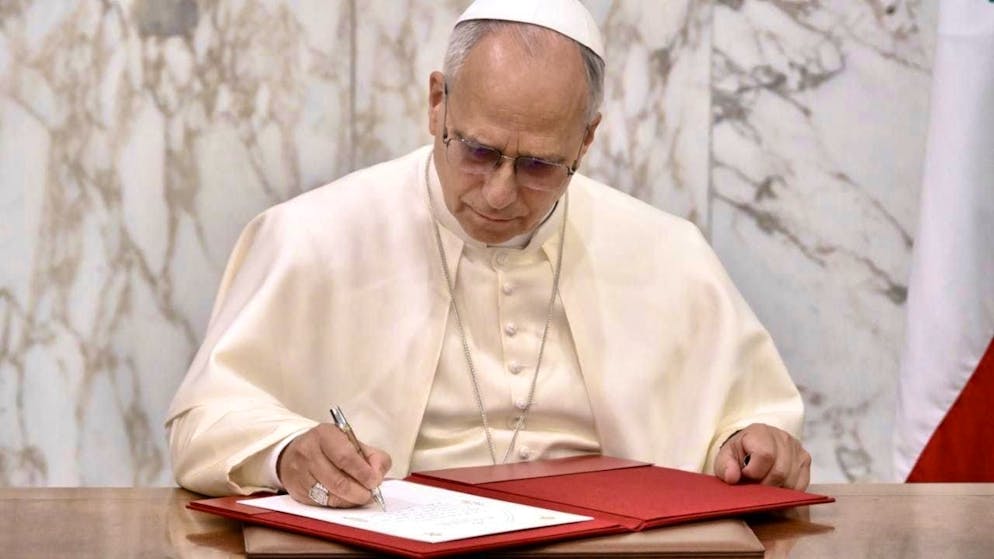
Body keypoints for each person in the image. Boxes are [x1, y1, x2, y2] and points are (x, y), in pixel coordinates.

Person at [166, 0, 811, 509]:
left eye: (537, 164)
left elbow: (749, 421)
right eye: (477, 151)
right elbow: (204, 419)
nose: (500, 194)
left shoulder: (668, 253)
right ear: (437, 102)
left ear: (586, 141)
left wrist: (752, 446)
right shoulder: (311, 237)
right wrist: (285, 451)